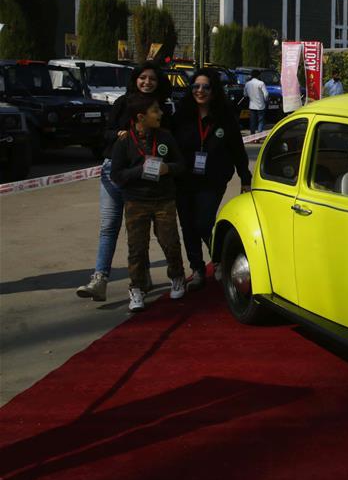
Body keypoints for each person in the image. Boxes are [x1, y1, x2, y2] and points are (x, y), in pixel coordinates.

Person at [76, 62, 173, 302]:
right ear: (135, 80)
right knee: (109, 226)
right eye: (142, 78)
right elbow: (104, 134)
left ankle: (142, 277)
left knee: (139, 230)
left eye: (152, 78)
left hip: (145, 176)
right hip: (114, 171)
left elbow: (169, 142)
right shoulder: (122, 104)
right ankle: (100, 279)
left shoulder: (164, 108)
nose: (147, 82)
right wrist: (118, 135)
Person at [173, 69, 252, 291]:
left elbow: (237, 149)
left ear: (214, 90)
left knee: (204, 222)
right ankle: (197, 269)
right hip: (184, 180)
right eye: (196, 86)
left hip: (213, 180)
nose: (200, 91)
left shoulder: (225, 117)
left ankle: (218, 261)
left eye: (205, 87)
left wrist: (245, 177)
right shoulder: (181, 115)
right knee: (188, 226)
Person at [110, 94, 187, 312]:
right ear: (140, 117)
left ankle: (177, 276)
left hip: (164, 199)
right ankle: (136, 287)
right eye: (156, 111)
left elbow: (181, 164)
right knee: (137, 248)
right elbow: (116, 175)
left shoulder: (165, 137)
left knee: (170, 241)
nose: (161, 114)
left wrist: (168, 169)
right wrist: (138, 171)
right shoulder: (124, 142)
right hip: (136, 201)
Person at [243, 69, 269, 134]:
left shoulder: (247, 84)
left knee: (252, 121)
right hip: (261, 105)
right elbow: (266, 94)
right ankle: (259, 136)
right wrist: (265, 100)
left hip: (252, 105)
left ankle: (252, 135)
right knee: (261, 121)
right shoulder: (261, 83)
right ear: (258, 75)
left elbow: (245, 94)